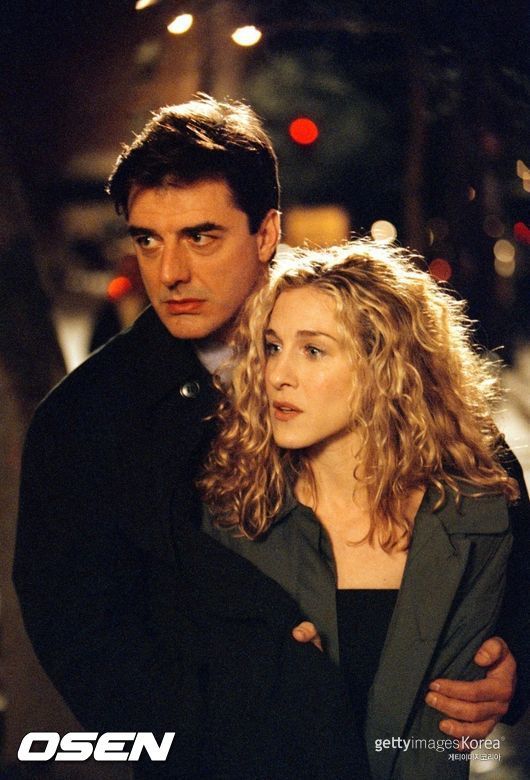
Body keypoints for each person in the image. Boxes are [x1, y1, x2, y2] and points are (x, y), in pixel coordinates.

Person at [12, 96, 526, 776]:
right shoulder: (86, 419)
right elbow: (79, 634)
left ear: (266, 233)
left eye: (201, 237)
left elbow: (491, 502)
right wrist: (224, 724)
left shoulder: (362, 341)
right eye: (148, 240)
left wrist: (512, 663)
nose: (170, 272)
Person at [199, 241, 523, 777]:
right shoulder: (236, 516)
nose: (277, 374)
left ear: (384, 366)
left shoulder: (472, 520)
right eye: (273, 346)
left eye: (313, 350)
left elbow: (439, 746)